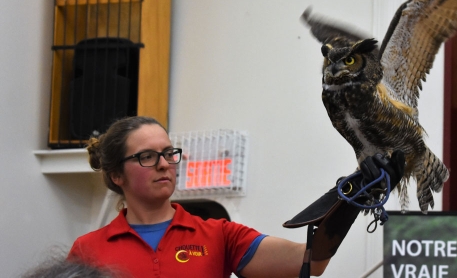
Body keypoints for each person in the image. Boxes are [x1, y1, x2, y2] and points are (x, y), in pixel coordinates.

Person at [68, 116, 403, 277]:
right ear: (116, 175)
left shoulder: (218, 235)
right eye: (147, 156)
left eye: (169, 153)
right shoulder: (87, 249)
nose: (164, 164)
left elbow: (312, 261)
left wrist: (351, 196)